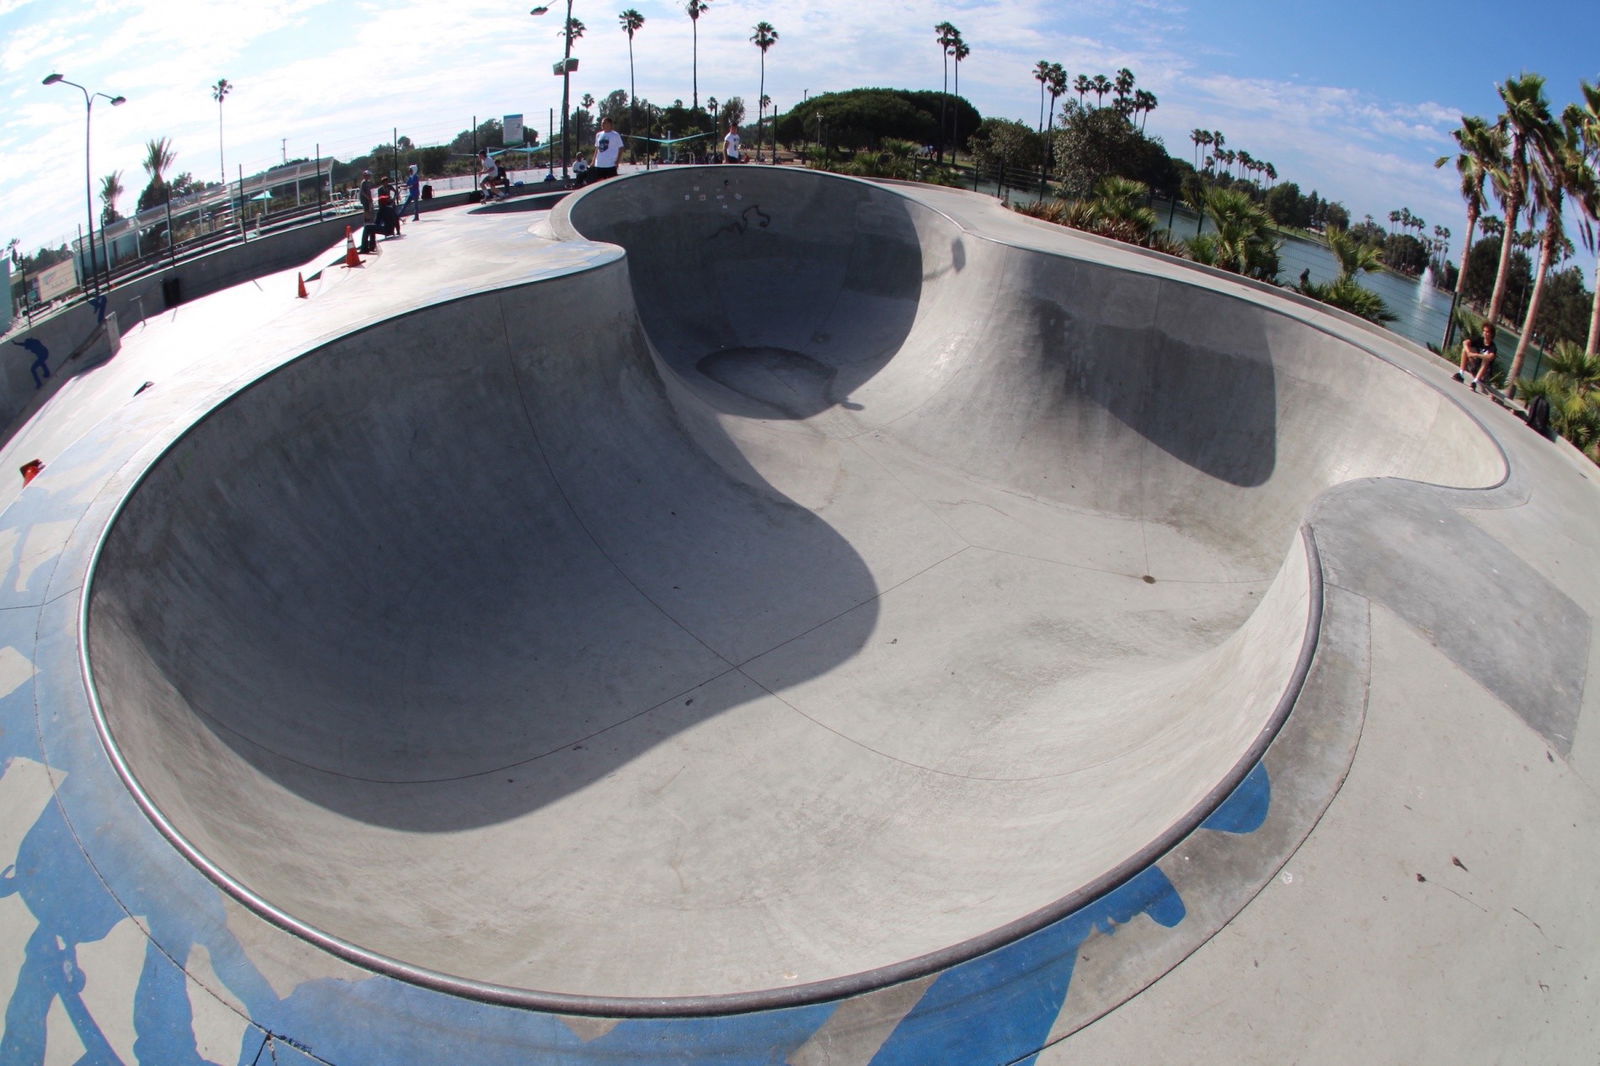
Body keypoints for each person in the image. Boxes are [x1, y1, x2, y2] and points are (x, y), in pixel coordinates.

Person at [1454, 321, 1498, 392]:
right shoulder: (1479, 339)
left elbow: (1491, 357)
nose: (1485, 333)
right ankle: (1461, 374)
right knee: (1465, 349)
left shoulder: (1492, 347)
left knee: (1486, 358)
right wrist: (1469, 352)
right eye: (1484, 331)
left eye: (1487, 332)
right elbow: (1465, 342)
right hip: (1475, 367)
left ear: (1491, 334)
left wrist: (1475, 355)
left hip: (1484, 375)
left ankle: (1474, 382)